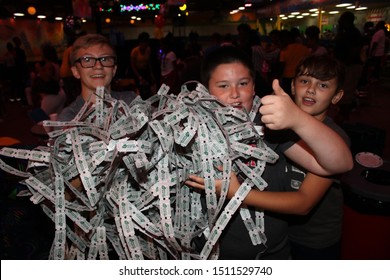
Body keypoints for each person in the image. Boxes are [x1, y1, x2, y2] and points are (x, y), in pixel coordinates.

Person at [185, 46, 353, 259]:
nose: (235, 93)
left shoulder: (270, 127)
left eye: (243, 84)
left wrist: (297, 119)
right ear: (205, 91)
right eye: (223, 85)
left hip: (273, 252)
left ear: (254, 87)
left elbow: (340, 164)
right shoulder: (188, 129)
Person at [285, 55, 349, 260]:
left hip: (314, 239)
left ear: (337, 96)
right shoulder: (278, 127)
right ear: (293, 86)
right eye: (305, 81)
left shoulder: (335, 140)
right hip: (278, 232)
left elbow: (303, 204)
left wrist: (238, 195)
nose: (311, 90)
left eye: (323, 85)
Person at [58, 34, 137, 121]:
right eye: (87, 60)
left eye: (105, 59)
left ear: (114, 70)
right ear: (76, 71)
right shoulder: (69, 118)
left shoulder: (131, 101)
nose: (98, 66)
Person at [333, 11, 363, 124]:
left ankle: (344, 116)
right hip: (345, 65)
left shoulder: (354, 33)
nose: (339, 22)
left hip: (351, 65)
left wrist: (345, 65)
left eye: (342, 19)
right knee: (342, 90)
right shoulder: (344, 32)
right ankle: (343, 115)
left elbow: (355, 51)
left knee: (346, 92)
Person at [278, 29, 311, 96]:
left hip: (287, 76)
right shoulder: (304, 48)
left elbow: (282, 65)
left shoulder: (284, 50)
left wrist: (279, 77)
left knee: (287, 96)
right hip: (300, 76)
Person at [130, 32, 156, 100]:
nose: (144, 45)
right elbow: (132, 65)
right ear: (140, 42)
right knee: (139, 91)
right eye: (143, 43)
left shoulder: (148, 49)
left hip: (146, 71)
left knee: (148, 90)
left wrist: (151, 74)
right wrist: (139, 77)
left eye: (146, 43)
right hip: (137, 72)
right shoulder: (134, 51)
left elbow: (149, 62)